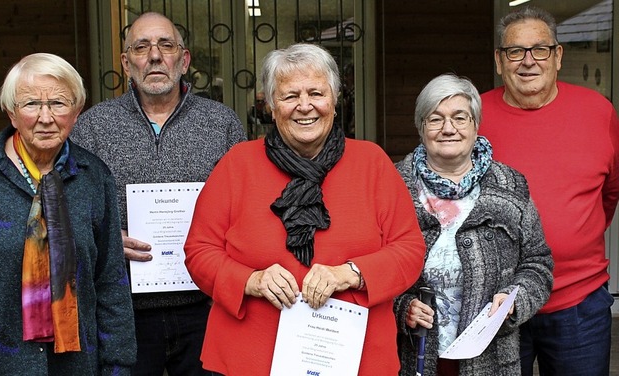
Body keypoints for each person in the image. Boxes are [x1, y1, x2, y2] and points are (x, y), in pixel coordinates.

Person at [183, 43, 426, 375]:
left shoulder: (372, 163)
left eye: (316, 93)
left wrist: (349, 273)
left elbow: (410, 249)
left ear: (335, 101)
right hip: (250, 357)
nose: (305, 106)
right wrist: (251, 280)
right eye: (289, 96)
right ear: (270, 106)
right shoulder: (237, 165)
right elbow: (199, 250)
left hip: (355, 356)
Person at [70, 12, 247, 376]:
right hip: (123, 308)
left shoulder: (222, 123)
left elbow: (245, 207)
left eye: (166, 46)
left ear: (183, 60)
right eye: (141, 47)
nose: (154, 56)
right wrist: (103, 240)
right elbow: (71, 209)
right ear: (125, 62)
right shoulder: (92, 126)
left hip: (206, 306)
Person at [479, 6, 619, 376]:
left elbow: (609, 193)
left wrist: (572, 237)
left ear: (557, 56)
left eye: (540, 49)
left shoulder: (597, 112)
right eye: (515, 52)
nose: (528, 61)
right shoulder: (472, 117)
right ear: (499, 60)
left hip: (580, 304)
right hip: (496, 304)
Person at [0, 53, 136, 374]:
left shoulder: (93, 176)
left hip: (76, 364)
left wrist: (117, 366)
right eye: (31, 104)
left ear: (77, 112)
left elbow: (110, 282)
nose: (46, 117)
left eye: (59, 103)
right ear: (11, 113)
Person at [393, 73, 553, 376]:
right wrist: (402, 307)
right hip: (413, 356)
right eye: (435, 119)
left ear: (475, 125)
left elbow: (538, 263)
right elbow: (375, 264)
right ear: (421, 127)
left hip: (491, 359)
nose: (448, 128)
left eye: (459, 118)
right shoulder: (393, 185)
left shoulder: (509, 185)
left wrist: (515, 299)